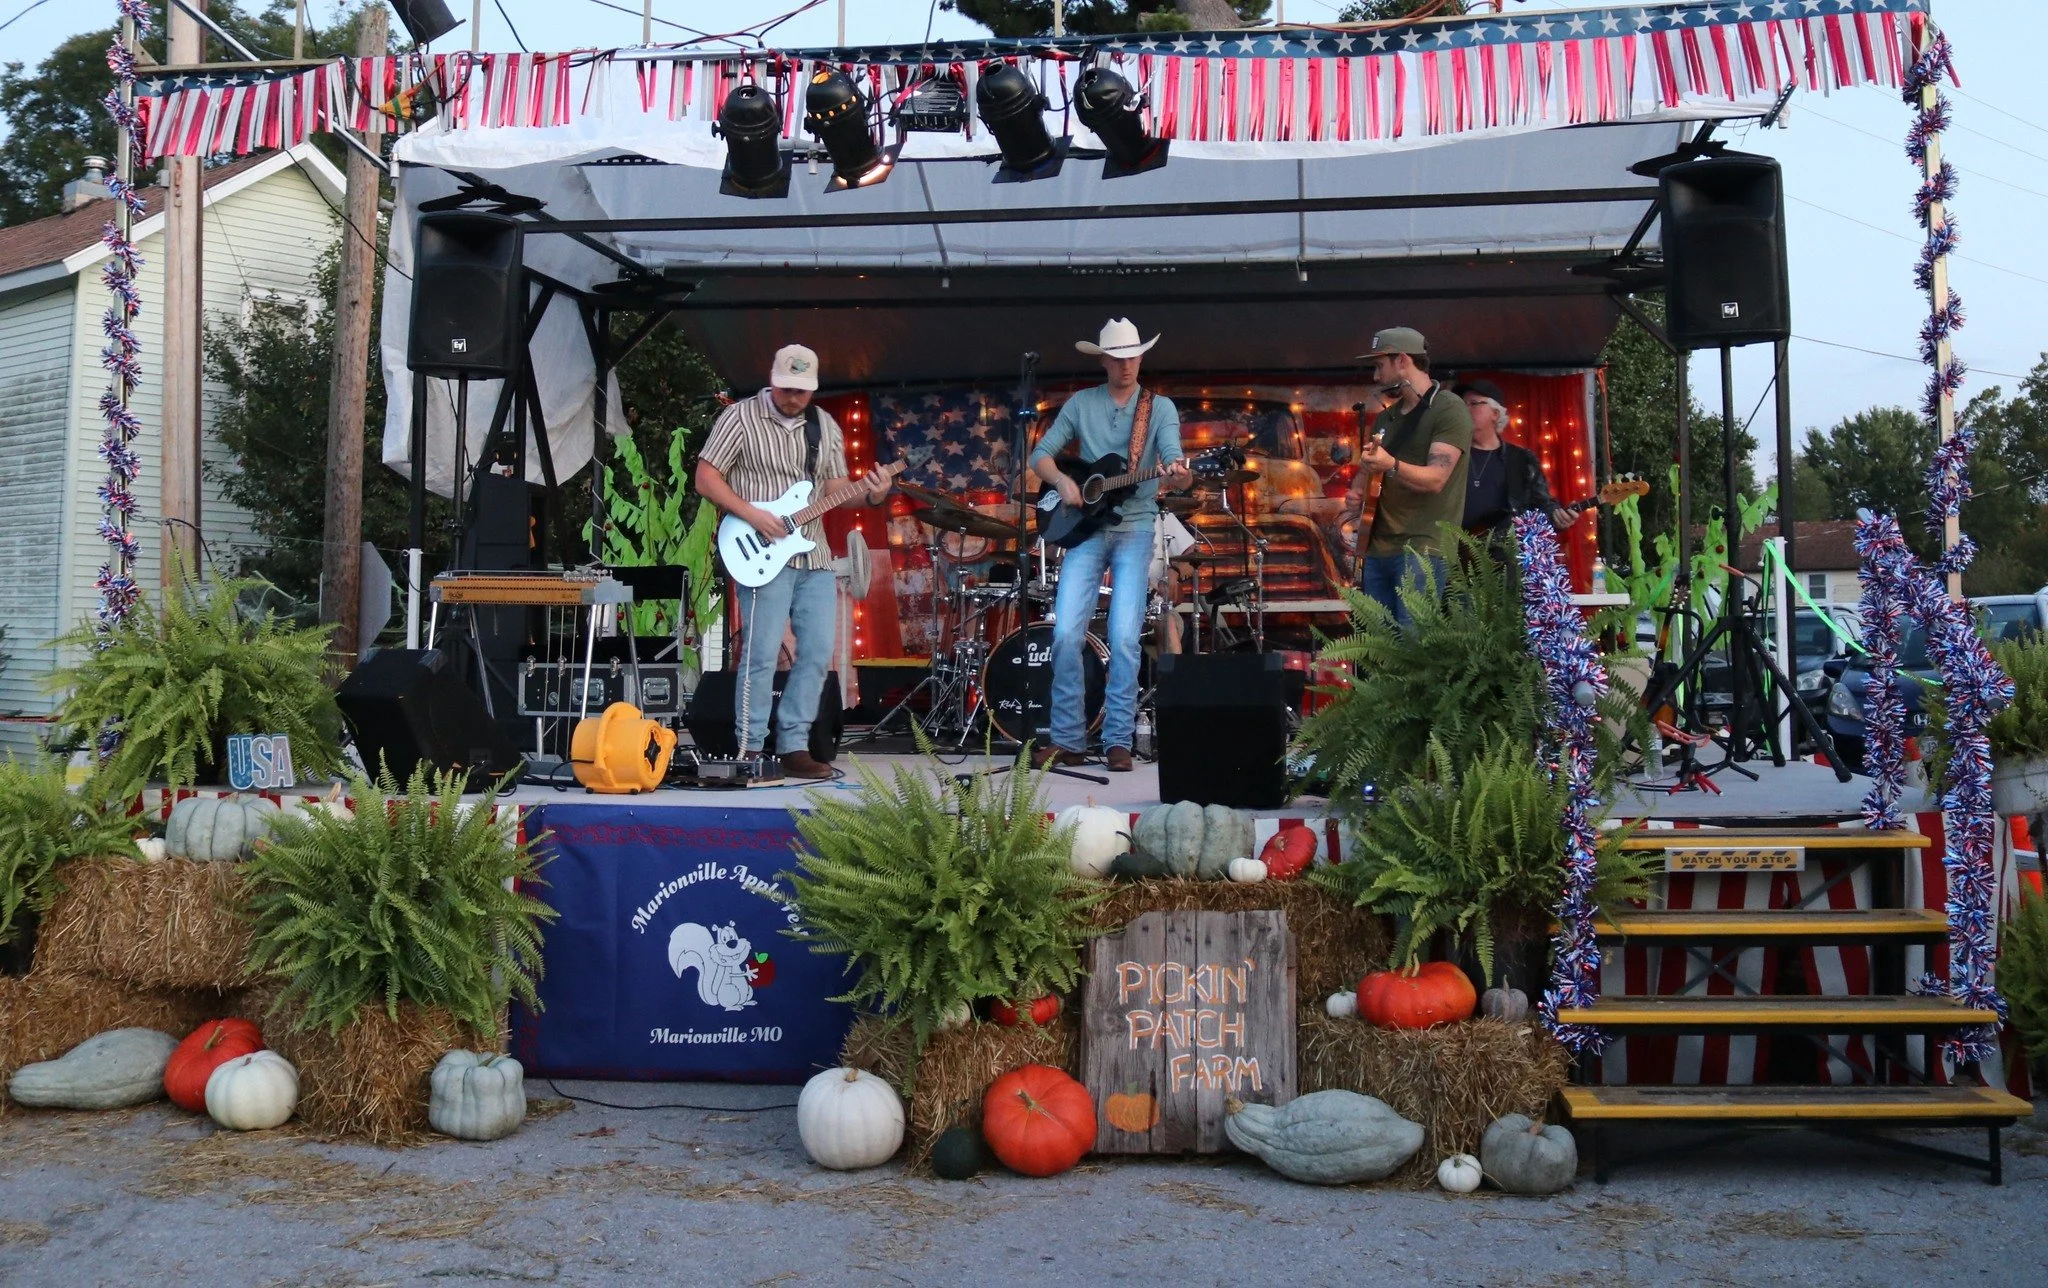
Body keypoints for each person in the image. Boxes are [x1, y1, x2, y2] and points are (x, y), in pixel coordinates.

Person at [695, 344, 890, 780]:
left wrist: (874, 493)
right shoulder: (740, 417)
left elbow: (839, 488)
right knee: (762, 652)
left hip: (814, 553)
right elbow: (706, 477)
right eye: (786, 387)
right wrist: (754, 515)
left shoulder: (824, 426)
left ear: (813, 389)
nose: (792, 397)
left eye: (801, 391)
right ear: (772, 377)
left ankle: (794, 746)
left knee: (819, 652)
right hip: (760, 547)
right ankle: (749, 746)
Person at [1029, 318, 1192, 772]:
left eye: (1133, 357)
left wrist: (1180, 473)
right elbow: (1039, 455)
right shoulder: (1081, 403)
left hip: (1136, 526)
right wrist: (1062, 481)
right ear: (1103, 361)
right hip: (1085, 528)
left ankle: (1117, 740)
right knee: (1064, 634)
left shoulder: (1158, 408)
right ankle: (1068, 738)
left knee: (1124, 637)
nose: (1126, 366)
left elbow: (1176, 460)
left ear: (1142, 357)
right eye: (1118, 359)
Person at [1341, 327, 1471, 627]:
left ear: (1402, 360)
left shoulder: (1448, 408)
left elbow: (1437, 479)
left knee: (1413, 647)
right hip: (1377, 546)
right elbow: (1367, 471)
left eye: (1379, 365)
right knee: (1379, 646)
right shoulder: (1387, 417)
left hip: (1424, 545)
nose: (1375, 376)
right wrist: (1357, 491)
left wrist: (1390, 464)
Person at [1455, 377, 1585, 543]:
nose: (1464, 409)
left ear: (1495, 413)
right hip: (1451, 552)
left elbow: (1541, 504)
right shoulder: (1453, 452)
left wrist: (1558, 517)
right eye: (1462, 404)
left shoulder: (1522, 459)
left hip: (1503, 557)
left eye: (1473, 403)